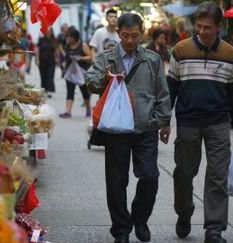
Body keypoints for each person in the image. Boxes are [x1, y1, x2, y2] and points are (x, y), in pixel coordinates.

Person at [85, 13, 171, 243]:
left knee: (150, 176)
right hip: (116, 130)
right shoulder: (108, 58)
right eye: (125, 35)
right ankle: (121, 229)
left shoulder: (152, 59)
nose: (130, 41)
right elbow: (90, 81)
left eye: (134, 35)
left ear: (141, 33)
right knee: (116, 181)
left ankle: (140, 218)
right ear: (118, 34)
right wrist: (105, 79)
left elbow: (162, 92)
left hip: (146, 127)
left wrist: (164, 121)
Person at [166, 2, 233, 243]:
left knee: (218, 176)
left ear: (219, 27)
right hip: (188, 121)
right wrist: (164, 121)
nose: (202, 31)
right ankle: (184, 211)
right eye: (199, 26)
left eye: (207, 27)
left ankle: (214, 228)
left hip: (218, 122)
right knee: (184, 173)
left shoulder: (230, 54)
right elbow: (171, 89)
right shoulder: (181, 50)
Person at [59, 27, 92, 118]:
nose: (68, 39)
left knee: (84, 92)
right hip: (70, 73)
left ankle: (88, 109)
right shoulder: (67, 45)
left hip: (81, 73)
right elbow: (66, 56)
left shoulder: (83, 45)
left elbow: (90, 57)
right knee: (70, 91)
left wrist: (80, 58)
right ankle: (68, 112)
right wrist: (64, 63)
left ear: (75, 37)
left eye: (70, 37)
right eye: (67, 36)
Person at [35, 27, 58, 96]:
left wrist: (57, 58)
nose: (48, 32)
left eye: (49, 31)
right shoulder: (41, 40)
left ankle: (49, 90)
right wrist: (37, 59)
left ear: (51, 32)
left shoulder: (54, 40)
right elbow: (37, 50)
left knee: (50, 75)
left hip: (51, 61)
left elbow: (56, 50)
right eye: (47, 31)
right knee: (43, 76)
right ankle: (44, 90)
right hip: (42, 61)